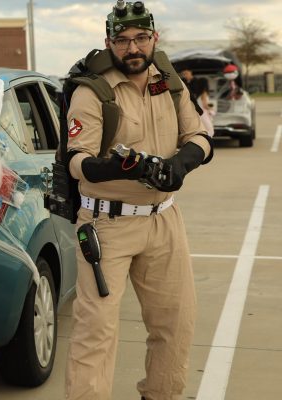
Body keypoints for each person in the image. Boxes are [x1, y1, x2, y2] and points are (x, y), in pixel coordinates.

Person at [64, 1, 213, 400]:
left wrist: (180, 165)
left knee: (175, 324)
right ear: (109, 42)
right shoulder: (91, 92)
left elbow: (198, 136)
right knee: (96, 331)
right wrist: (120, 168)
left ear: (154, 38)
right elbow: (77, 161)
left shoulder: (170, 81)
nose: (133, 49)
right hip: (106, 225)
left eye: (141, 39)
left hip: (164, 221)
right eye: (123, 40)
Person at [180, 69, 215, 136]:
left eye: (186, 73)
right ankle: (207, 141)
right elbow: (205, 105)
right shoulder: (203, 94)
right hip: (204, 112)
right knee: (210, 130)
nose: (185, 75)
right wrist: (212, 109)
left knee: (202, 127)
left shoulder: (198, 94)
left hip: (199, 111)